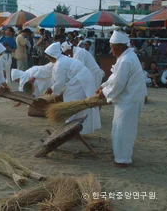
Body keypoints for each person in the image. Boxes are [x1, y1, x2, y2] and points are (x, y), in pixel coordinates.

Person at [96, 30, 147, 168]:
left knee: (122, 130)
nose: (111, 52)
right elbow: (114, 77)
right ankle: (122, 155)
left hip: (129, 100)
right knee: (122, 129)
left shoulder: (126, 60)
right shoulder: (126, 56)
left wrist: (104, 93)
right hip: (129, 99)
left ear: (119, 47)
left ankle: (122, 159)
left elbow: (118, 83)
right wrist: (103, 86)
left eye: (112, 48)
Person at [34, 42, 101, 135]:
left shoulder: (59, 64)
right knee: (77, 103)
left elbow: (60, 82)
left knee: (71, 101)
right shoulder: (62, 60)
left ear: (51, 56)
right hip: (81, 79)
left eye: (48, 57)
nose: (48, 59)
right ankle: (78, 129)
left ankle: (72, 129)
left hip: (79, 81)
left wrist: (52, 89)